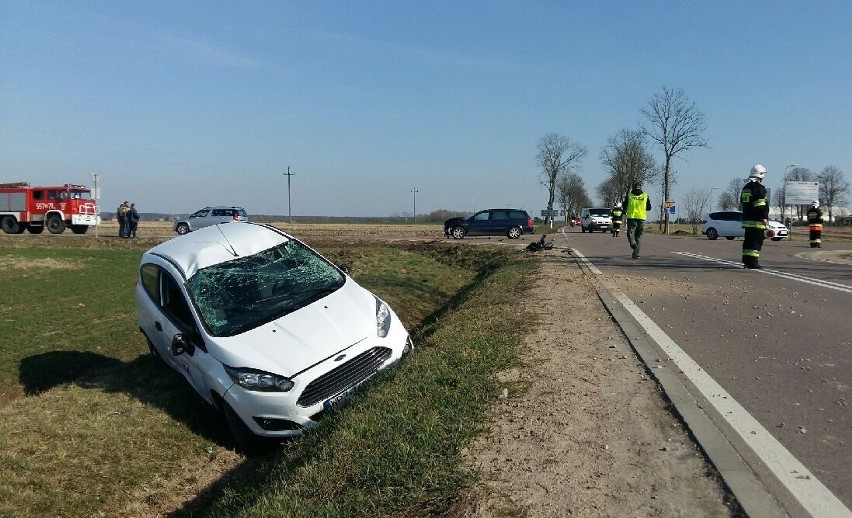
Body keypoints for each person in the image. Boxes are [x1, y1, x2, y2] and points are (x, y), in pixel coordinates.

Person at [741, 165, 769, 269]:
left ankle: (746, 261)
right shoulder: (759, 189)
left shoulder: (746, 188)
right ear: (761, 176)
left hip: (747, 220)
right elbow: (760, 205)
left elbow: (744, 203)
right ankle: (753, 262)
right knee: (756, 242)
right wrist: (764, 217)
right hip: (757, 221)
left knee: (748, 241)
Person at [623, 182, 651, 259]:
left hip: (632, 217)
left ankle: (633, 244)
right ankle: (636, 254)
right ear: (640, 187)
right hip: (642, 218)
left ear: (633, 187)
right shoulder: (645, 195)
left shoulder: (629, 195)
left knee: (630, 234)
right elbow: (649, 208)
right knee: (638, 236)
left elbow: (624, 206)